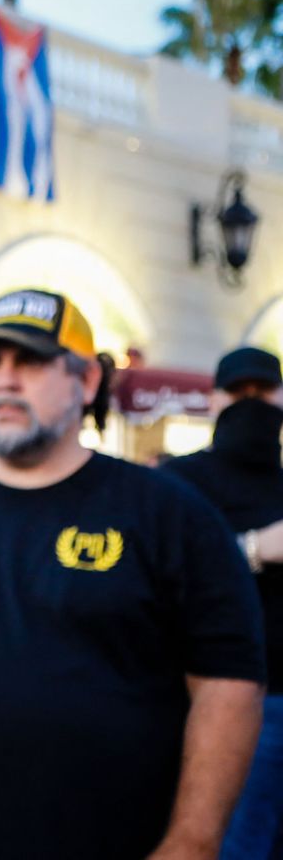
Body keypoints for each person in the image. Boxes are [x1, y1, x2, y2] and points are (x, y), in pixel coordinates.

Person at [0, 288, 265, 860]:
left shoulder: (170, 515)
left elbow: (227, 681)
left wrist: (192, 841)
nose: (6, 379)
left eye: (32, 361)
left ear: (87, 381)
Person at [163, 346, 283, 858]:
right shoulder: (179, 482)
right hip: (226, 701)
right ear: (214, 400)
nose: (251, 403)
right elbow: (166, 580)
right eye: (238, 393)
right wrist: (257, 547)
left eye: (263, 392)